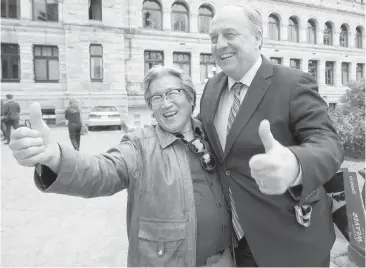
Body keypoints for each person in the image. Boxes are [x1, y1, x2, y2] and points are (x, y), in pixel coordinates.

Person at [9, 65, 233, 267]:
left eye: (172, 93)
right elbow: (102, 171)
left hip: (224, 260)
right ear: (151, 108)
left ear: (191, 98)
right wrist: (55, 157)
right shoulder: (140, 145)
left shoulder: (212, 134)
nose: (165, 103)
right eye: (156, 98)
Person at [198, 4, 344, 267]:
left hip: (292, 240)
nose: (220, 45)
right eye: (213, 38)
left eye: (230, 34)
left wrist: (295, 165)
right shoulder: (211, 88)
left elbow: (328, 142)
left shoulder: (293, 82)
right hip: (237, 240)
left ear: (258, 38)